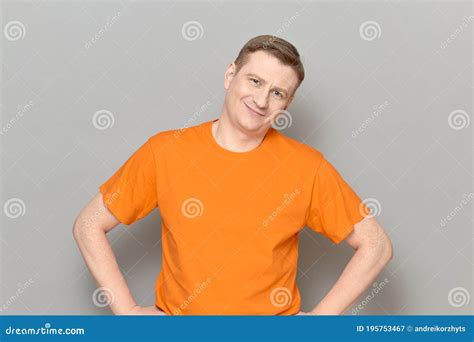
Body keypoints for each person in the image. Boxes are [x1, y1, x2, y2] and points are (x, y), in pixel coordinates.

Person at [73, 35, 393, 316]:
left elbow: (375, 246)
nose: (262, 100)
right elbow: (88, 224)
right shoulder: (165, 151)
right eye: (255, 81)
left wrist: (321, 322)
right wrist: (126, 310)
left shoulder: (307, 167)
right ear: (230, 75)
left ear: (288, 103)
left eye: (278, 93)